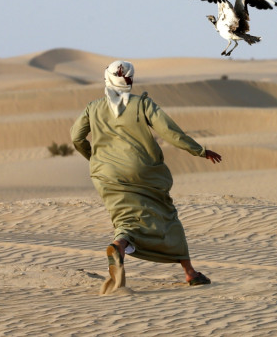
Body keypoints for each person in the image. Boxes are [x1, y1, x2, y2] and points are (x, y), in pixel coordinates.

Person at [70, 60, 222, 295]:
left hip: (106, 174)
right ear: (130, 80)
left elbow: (76, 137)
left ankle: (119, 245)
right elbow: (169, 132)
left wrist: (95, 159)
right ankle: (190, 273)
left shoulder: (93, 107)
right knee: (166, 215)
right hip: (143, 172)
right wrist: (199, 150)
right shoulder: (142, 104)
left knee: (125, 218)